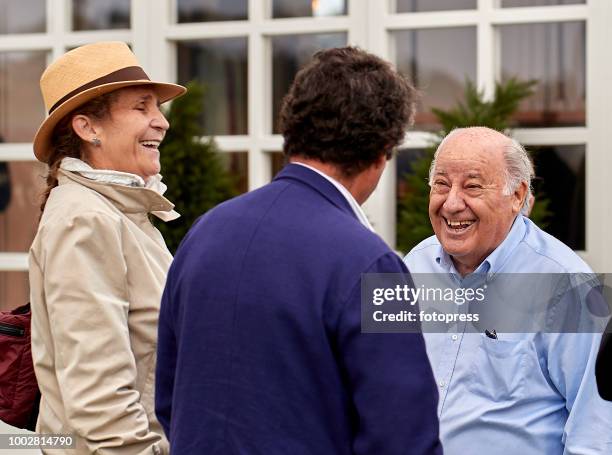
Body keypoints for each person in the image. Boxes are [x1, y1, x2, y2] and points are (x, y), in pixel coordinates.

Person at [156, 47, 442, 454]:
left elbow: (169, 397)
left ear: (291, 130)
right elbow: (403, 437)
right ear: (383, 154)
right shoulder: (373, 265)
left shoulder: (205, 232)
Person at [404, 126, 612, 454]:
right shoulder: (416, 265)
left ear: (517, 196)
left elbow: (597, 431)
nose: (452, 203)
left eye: (472, 186)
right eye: (441, 185)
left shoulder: (567, 285)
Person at [29, 41, 185, 454]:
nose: (161, 122)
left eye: (157, 107)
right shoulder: (86, 220)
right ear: (87, 128)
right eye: (142, 107)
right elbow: (98, 398)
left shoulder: (120, 212)